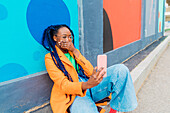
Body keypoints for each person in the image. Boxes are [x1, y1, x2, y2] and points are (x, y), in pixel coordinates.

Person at [42, 24, 138, 113]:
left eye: (70, 37)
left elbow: (90, 71)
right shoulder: (50, 58)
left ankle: (118, 109)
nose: (68, 40)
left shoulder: (74, 52)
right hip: (75, 95)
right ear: (55, 38)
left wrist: (75, 52)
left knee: (120, 70)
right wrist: (86, 85)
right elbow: (64, 85)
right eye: (64, 37)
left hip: (92, 87)